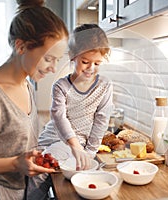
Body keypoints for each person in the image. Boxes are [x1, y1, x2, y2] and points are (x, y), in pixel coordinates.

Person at [0, 0, 68, 199]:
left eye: (57, 60)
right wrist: (15, 163)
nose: (53, 68)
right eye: (48, 58)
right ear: (21, 46)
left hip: (17, 191)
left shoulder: (27, 85)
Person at [27, 24, 113, 199]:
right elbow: (59, 117)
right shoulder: (61, 86)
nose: (91, 68)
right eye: (85, 62)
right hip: (54, 139)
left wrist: (89, 153)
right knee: (38, 176)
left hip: (78, 147)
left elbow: (101, 121)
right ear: (73, 57)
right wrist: (75, 146)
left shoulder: (105, 86)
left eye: (97, 63)